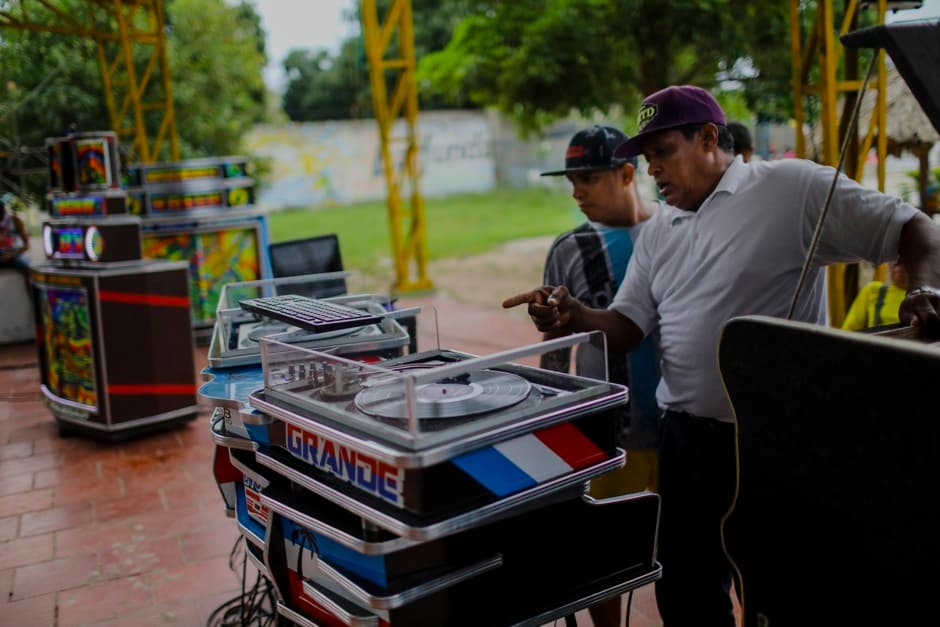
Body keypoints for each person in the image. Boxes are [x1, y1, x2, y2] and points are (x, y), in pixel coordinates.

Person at [503, 84, 940, 627]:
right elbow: (626, 326)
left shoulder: (791, 188)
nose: (652, 169)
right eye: (646, 158)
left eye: (662, 152)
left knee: (780, 589)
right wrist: (576, 316)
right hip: (684, 441)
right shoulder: (661, 229)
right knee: (684, 590)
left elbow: (915, 228)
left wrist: (926, 289)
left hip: (771, 440)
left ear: (709, 137)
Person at [538, 125, 660, 627]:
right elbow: (555, 351)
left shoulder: (675, 230)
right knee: (604, 557)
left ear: (627, 173)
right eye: (571, 180)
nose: (576, 190)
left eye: (588, 177)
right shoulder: (569, 247)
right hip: (611, 434)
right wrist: (552, 423)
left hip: (683, 424)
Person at [841, 260, 910, 330]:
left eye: (904, 263)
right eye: (895, 264)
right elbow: (848, 331)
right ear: (888, 264)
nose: (898, 269)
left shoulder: (918, 297)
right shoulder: (872, 290)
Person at [0, 198, 31, 281]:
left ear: (3, 211)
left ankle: (33, 292)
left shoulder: (15, 220)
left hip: (15, 254)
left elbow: (26, 245)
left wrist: (11, 255)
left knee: (29, 268)